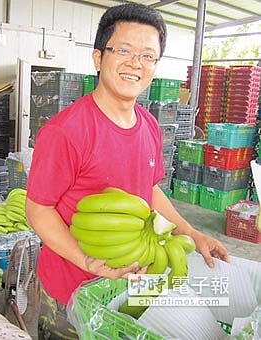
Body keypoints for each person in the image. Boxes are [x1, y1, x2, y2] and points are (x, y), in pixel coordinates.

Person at [25, 3, 230, 339]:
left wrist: (192, 233)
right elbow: (38, 208)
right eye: (123, 50)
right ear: (98, 58)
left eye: (148, 55)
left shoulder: (149, 125)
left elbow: (148, 190)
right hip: (72, 291)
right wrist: (85, 260)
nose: (136, 63)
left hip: (131, 286)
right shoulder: (66, 131)